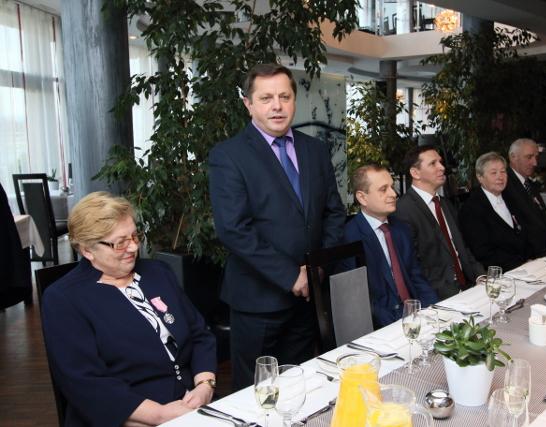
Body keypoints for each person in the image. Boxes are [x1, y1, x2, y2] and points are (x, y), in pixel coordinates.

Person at [208, 63, 345, 390]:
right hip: (258, 301)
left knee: (299, 385)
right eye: (266, 98)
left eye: (284, 96)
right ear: (248, 104)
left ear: (294, 100)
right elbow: (234, 228)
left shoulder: (315, 150)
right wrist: (290, 276)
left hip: (309, 296)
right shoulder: (228, 155)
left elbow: (334, 214)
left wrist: (316, 270)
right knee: (255, 393)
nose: (277, 106)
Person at [41, 192, 217, 427]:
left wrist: (205, 385)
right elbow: (85, 383)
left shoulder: (158, 272)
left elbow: (200, 334)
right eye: (120, 243)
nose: (133, 247)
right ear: (87, 250)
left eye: (134, 236)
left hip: (192, 405)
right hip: (130, 416)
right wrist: (160, 415)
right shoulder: (64, 299)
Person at [344, 165, 438, 327]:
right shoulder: (349, 237)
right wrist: (398, 324)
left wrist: (433, 310)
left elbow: (416, 276)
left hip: (416, 315)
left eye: (392, 187)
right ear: (362, 198)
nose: (394, 194)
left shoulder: (401, 229)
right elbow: (360, 299)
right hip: (383, 325)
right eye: (383, 189)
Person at [395, 145, 484, 299]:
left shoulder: (445, 203)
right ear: (415, 173)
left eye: (440, 162)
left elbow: (461, 247)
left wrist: (480, 276)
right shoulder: (403, 210)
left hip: (469, 286)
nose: (442, 167)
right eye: (433, 163)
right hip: (440, 296)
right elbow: (413, 267)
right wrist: (452, 294)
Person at [459, 152, 530, 271]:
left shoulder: (512, 200)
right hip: (498, 272)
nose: (500, 177)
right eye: (494, 173)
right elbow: (481, 252)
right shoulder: (471, 209)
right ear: (480, 177)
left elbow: (524, 234)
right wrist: (519, 266)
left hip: (525, 266)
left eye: (503, 172)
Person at [502, 138, 546, 258]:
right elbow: (523, 228)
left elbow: (543, 221)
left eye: (536, 157)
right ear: (513, 157)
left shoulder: (528, 183)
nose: (535, 163)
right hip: (528, 256)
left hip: (545, 250)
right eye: (529, 157)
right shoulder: (505, 185)